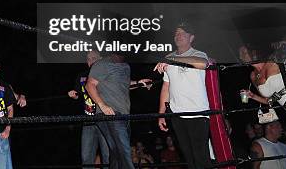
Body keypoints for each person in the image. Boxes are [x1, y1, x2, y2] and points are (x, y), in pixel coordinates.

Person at [154, 22, 212, 169]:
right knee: (189, 158)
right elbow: (166, 86)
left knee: (201, 158)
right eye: (176, 33)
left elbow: (203, 64)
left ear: (191, 38)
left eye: (182, 33)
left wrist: (171, 61)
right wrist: (161, 114)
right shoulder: (169, 57)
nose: (178, 36)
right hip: (177, 114)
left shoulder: (198, 54)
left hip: (198, 113)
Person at [85, 53, 151, 169]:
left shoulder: (125, 66)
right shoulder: (102, 63)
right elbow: (90, 85)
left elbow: (124, 85)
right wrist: (102, 105)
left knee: (116, 153)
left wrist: (139, 83)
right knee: (124, 151)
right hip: (109, 114)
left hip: (124, 114)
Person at [67, 50, 109, 166]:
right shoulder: (81, 76)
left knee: (107, 156)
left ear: (100, 59)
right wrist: (74, 95)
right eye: (88, 58)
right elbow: (77, 94)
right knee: (86, 157)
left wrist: (138, 82)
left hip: (104, 118)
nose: (91, 60)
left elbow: (122, 85)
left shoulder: (106, 73)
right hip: (88, 121)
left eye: (94, 58)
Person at [239, 44, 286, 114]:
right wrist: (252, 96)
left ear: (253, 52)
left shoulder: (273, 61)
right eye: (240, 55)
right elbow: (267, 100)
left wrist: (283, 42)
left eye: (243, 52)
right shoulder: (253, 76)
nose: (241, 57)